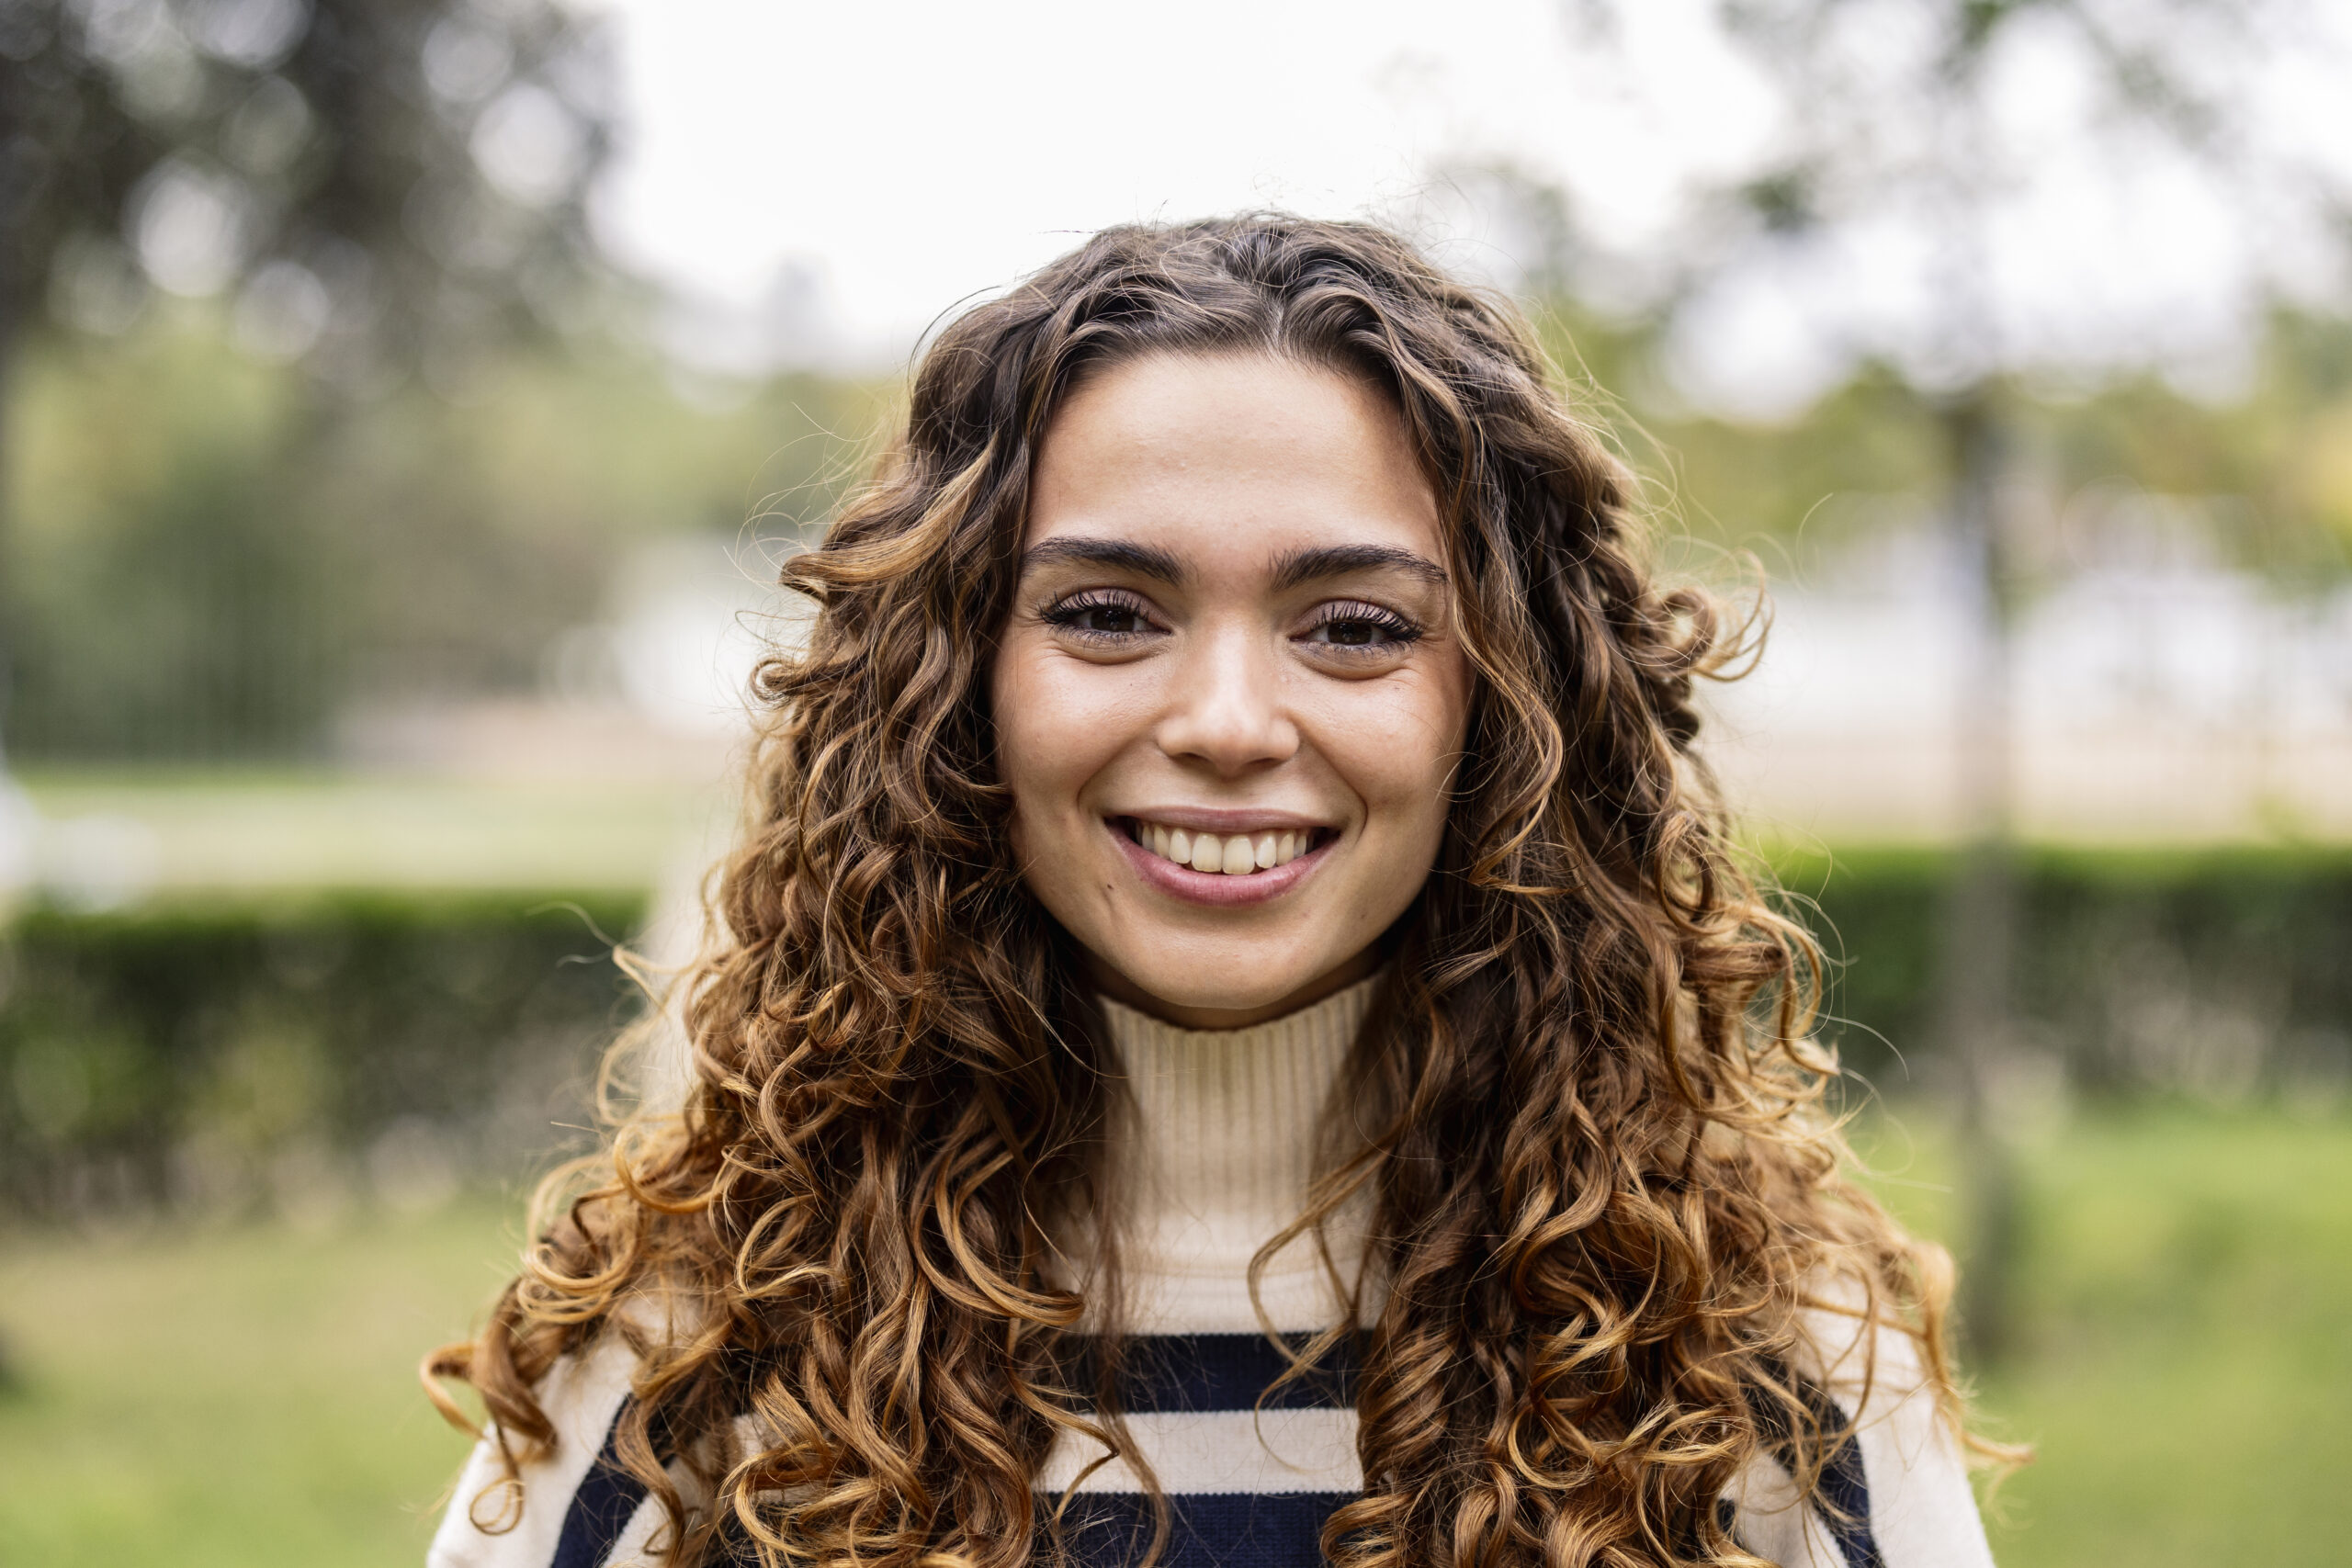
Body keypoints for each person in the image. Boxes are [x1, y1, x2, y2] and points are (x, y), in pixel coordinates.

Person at [424, 215, 2007, 1568]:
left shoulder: (1768, 1364)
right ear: (955, 687)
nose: (1232, 723)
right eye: (1110, 614)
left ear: (1511, 708)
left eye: (1357, 626)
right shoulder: (695, 1361)